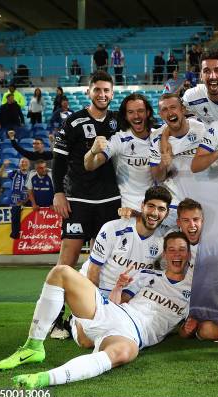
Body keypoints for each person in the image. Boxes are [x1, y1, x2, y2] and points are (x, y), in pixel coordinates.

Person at [0, 231, 193, 389]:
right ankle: (33, 347)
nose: (177, 254)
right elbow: (118, 301)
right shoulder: (147, 275)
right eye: (172, 250)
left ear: (189, 254)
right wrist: (119, 287)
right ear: (165, 254)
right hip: (113, 312)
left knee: (123, 353)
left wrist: (187, 329)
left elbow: (184, 332)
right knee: (61, 272)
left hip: (130, 334)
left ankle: (46, 378)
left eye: (182, 250)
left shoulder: (192, 293)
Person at [52, 70, 120, 269]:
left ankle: (93, 301)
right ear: (88, 92)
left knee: (100, 262)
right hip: (78, 199)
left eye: (106, 90)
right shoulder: (73, 121)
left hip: (109, 199)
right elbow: (58, 161)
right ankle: (54, 301)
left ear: (112, 94)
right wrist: (58, 193)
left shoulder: (117, 121)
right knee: (68, 259)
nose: (102, 94)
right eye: (97, 90)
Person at [80, 186, 171, 297]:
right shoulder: (112, 228)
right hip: (93, 286)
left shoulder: (165, 240)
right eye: (151, 206)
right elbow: (93, 270)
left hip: (124, 295)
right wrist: (98, 303)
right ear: (142, 206)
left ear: (166, 214)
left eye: (161, 209)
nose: (155, 213)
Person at [84, 93, 157, 211]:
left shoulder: (159, 136)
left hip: (156, 205)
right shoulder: (119, 139)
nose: (136, 116)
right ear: (126, 116)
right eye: (131, 112)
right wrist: (92, 151)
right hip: (129, 208)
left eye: (140, 111)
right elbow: (90, 165)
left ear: (148, 113)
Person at [149, 94, 206, 223]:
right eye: (164, 109)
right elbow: (158, 177)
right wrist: (163, 163)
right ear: (161, 115)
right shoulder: (156, 138)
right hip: (176, 202)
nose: (170, 112)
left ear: (183, 109)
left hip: (203, 196)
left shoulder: (202, 129)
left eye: (173, 107)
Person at [0, 158, 31, 239]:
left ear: (29, 164)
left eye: (26, 162)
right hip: (16, 201)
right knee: (15, 218)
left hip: (29, 200)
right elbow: (0, 174)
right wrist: (4, 165)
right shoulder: (14, 172)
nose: (24, 163)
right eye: (22, 162)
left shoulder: (32, 174)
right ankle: (15, 237)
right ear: (19, 164)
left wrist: (24, 201)